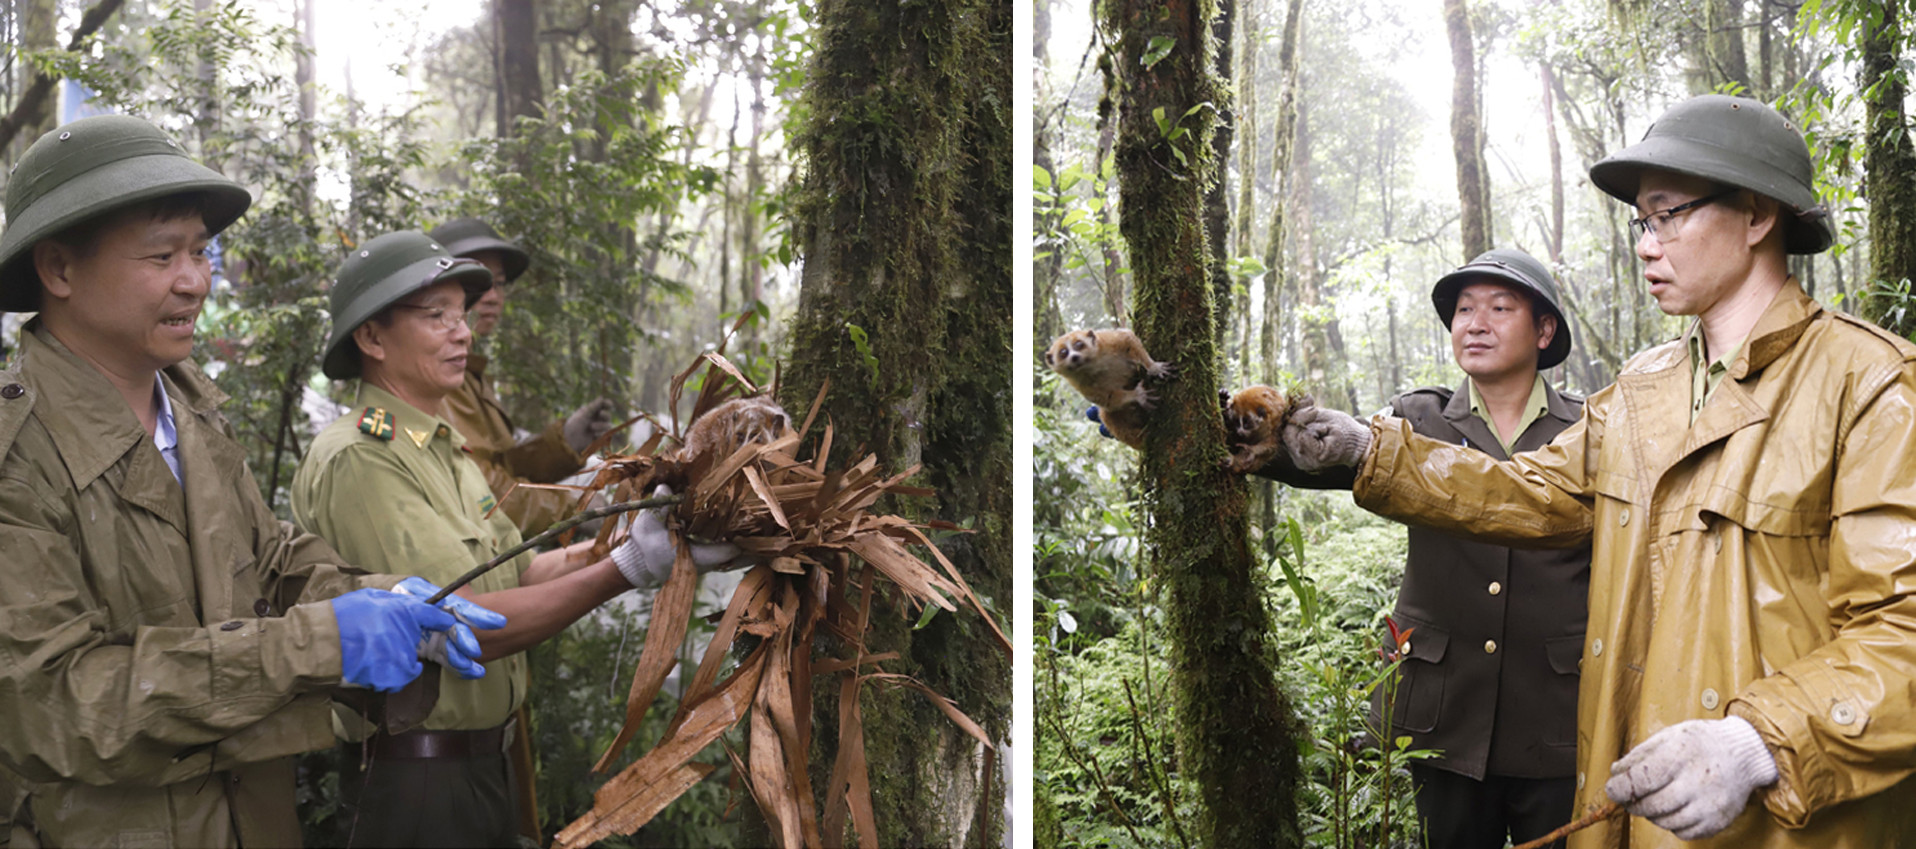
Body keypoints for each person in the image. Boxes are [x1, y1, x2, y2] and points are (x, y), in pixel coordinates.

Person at [1282, 94, 1916, 845]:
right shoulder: (1643, 390)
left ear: (1755, 215)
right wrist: (1370, 451)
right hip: (1632, 807)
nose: (1646, 246)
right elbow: (1530, 490)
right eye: (1641, 223)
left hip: (1786, 825)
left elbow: (1903, 628)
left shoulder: (1871, 385)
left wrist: (1760, 741)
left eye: (1667, 215)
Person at [0, 115, 500, 847]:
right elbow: (53, 703)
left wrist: (384, 594)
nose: (195, 281)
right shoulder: (18, 456)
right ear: (59, 270)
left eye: (201, 251)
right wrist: (314, 643)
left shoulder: (192, 412)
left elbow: (267, 560)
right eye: (162, 254)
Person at [291, 230, 745, 847]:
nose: (462, 333)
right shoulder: (363, 459)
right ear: (371, 338)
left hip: (483, 765)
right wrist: (629, 568)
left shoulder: (443, 449)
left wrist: (643, 538)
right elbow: (460, 625)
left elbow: (522, 572)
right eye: (436, 316)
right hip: (414, 782)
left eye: (461, 315)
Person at [1257, 247, 1590, 848]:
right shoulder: (1413, 419)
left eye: (1499, 308)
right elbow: (1319, 457)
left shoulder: (1587, 429)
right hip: (1444, 711)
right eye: (1464, 309)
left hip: (1556, 714)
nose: (1475, 323)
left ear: (1544, 331)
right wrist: (1196, 420)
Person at [427, 217, 612, 537]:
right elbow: (476, 488)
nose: (492, 295)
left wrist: (562, 444)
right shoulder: (432, 378)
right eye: (474, 282)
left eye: (498, 283)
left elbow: (500, 468)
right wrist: (571, 508)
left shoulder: (471, 374)